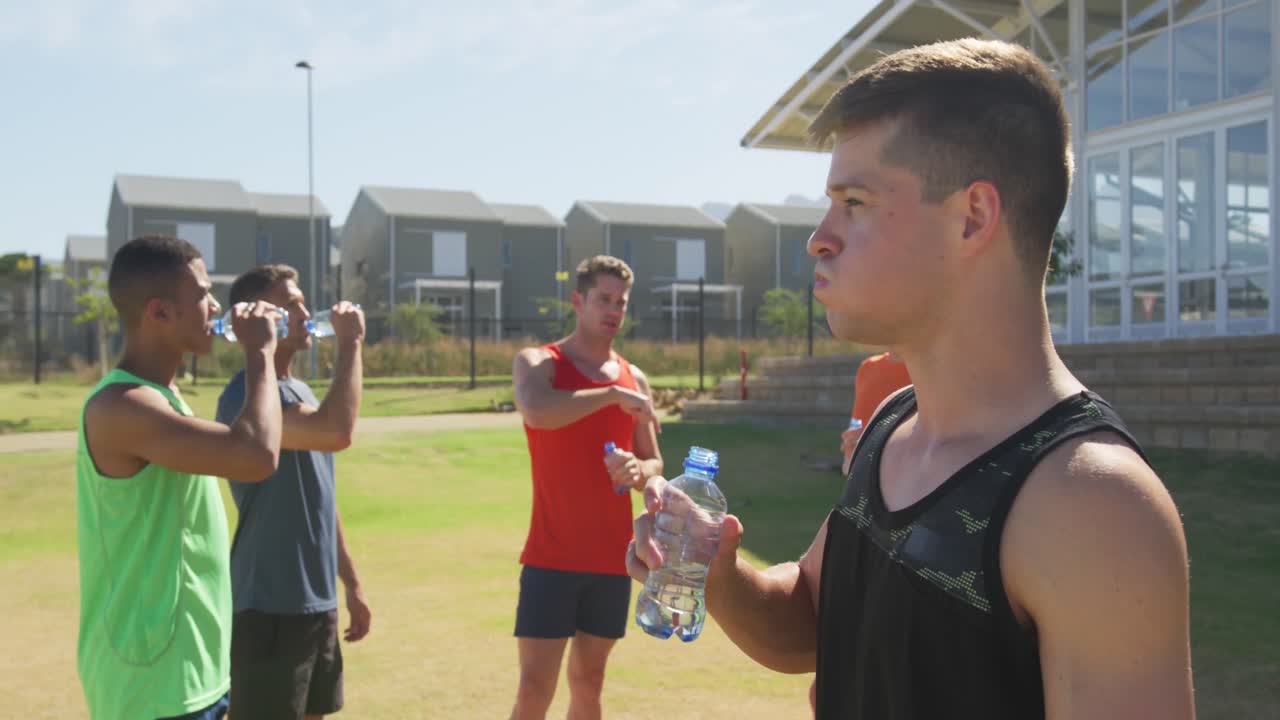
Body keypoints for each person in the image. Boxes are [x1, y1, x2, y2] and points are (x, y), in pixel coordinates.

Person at [629, 39, 1194, 719]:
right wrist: (717, 571)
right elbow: (810, 618)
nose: (820, 238)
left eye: (855, 201)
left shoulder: (1094, 505)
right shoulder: (895, 424)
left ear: (973, 217)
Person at [77, 235, 284, 720]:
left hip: (192, 673)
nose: (216, 306)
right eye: (204, 294)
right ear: (160, 313)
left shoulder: (164, 397)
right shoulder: (122, 406)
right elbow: (256, 453)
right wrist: (262, 354)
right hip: (151, 687)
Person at [509, 255, 664, 720]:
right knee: (535, 689)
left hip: (611, 561)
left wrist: (640, 470)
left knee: (589, 683)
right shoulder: (540, 363)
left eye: (621, 301)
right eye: (603, 299)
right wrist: (612, 396)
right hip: (550, 557)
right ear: (578, 301)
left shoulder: (634, 377)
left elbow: (655, 462)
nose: (613, 310)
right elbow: (537, 411)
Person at [215, 265, 371, 720]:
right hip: (269, 603)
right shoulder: (248, 395)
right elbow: (337, 430)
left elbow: (322, 497)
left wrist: (351, 582)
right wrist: (352, 343)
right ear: (259, 318)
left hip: (314, 601)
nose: (305, 312)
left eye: (303, 302)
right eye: (290, 304)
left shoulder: (297, 389)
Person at [841, 351, 912, 476]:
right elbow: (857, 424)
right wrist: (851, 443)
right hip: (866, 475)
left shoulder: (935, 369)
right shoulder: (868, 367)